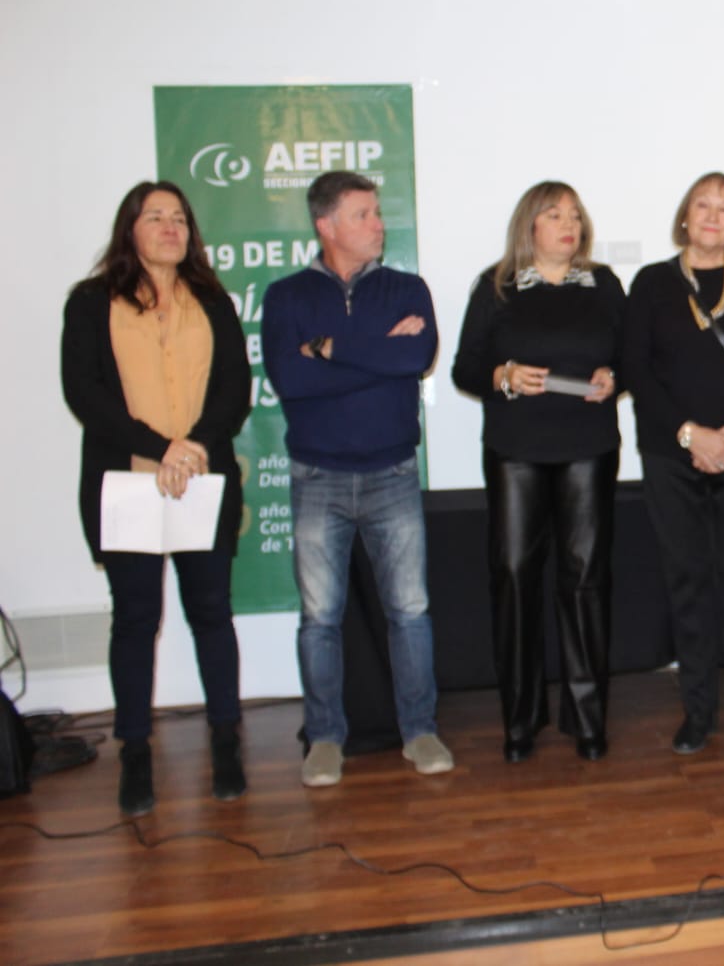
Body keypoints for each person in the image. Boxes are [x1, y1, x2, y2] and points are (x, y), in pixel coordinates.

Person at [62, 180, 250, 817]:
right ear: (130, 229)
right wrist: (160, 447)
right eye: (156, 217)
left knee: (211, 613)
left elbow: (234, 390)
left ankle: (226, 740)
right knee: (136, 620)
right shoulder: (91, 302)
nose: (171, 228)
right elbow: (85, 394)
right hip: (128, 482)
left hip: (203, 478)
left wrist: (192, 447)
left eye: (179, 219)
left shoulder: (213, 301)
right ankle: (135, 751)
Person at [261, 170, 453, 786]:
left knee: (410, 611)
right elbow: (292, 381)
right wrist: (376, 352)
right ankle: (324, 738)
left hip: (392, 472)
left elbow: (414, 357)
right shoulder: (286, 297)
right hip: (317, 475)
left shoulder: (406, 288)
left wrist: (328, 348)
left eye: (377, 212)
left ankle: (419, 731)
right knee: (319, 617)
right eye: (363, 214)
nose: (378, 224)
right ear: (327, 225)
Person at [452, 181, 624, 762]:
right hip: (516, 449)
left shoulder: (604, 284)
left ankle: (587, 719)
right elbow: (465, 369)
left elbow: (630, 356)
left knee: (585, 580)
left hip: (588, 446)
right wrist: (502, 376)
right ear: (529, 226)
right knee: (514, 578)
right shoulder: (497, 285)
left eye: (574, 215)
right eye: (554, 215)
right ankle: (520, 720)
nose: (568, 224)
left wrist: (614, 377)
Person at [622, 172, 724, 755]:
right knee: (687, 583)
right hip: (672, 456)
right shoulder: (650, 283)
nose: (713, 215)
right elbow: (636, 368)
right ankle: (698, 711)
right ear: (685, 216)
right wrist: (692, 435)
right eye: (703, 205)